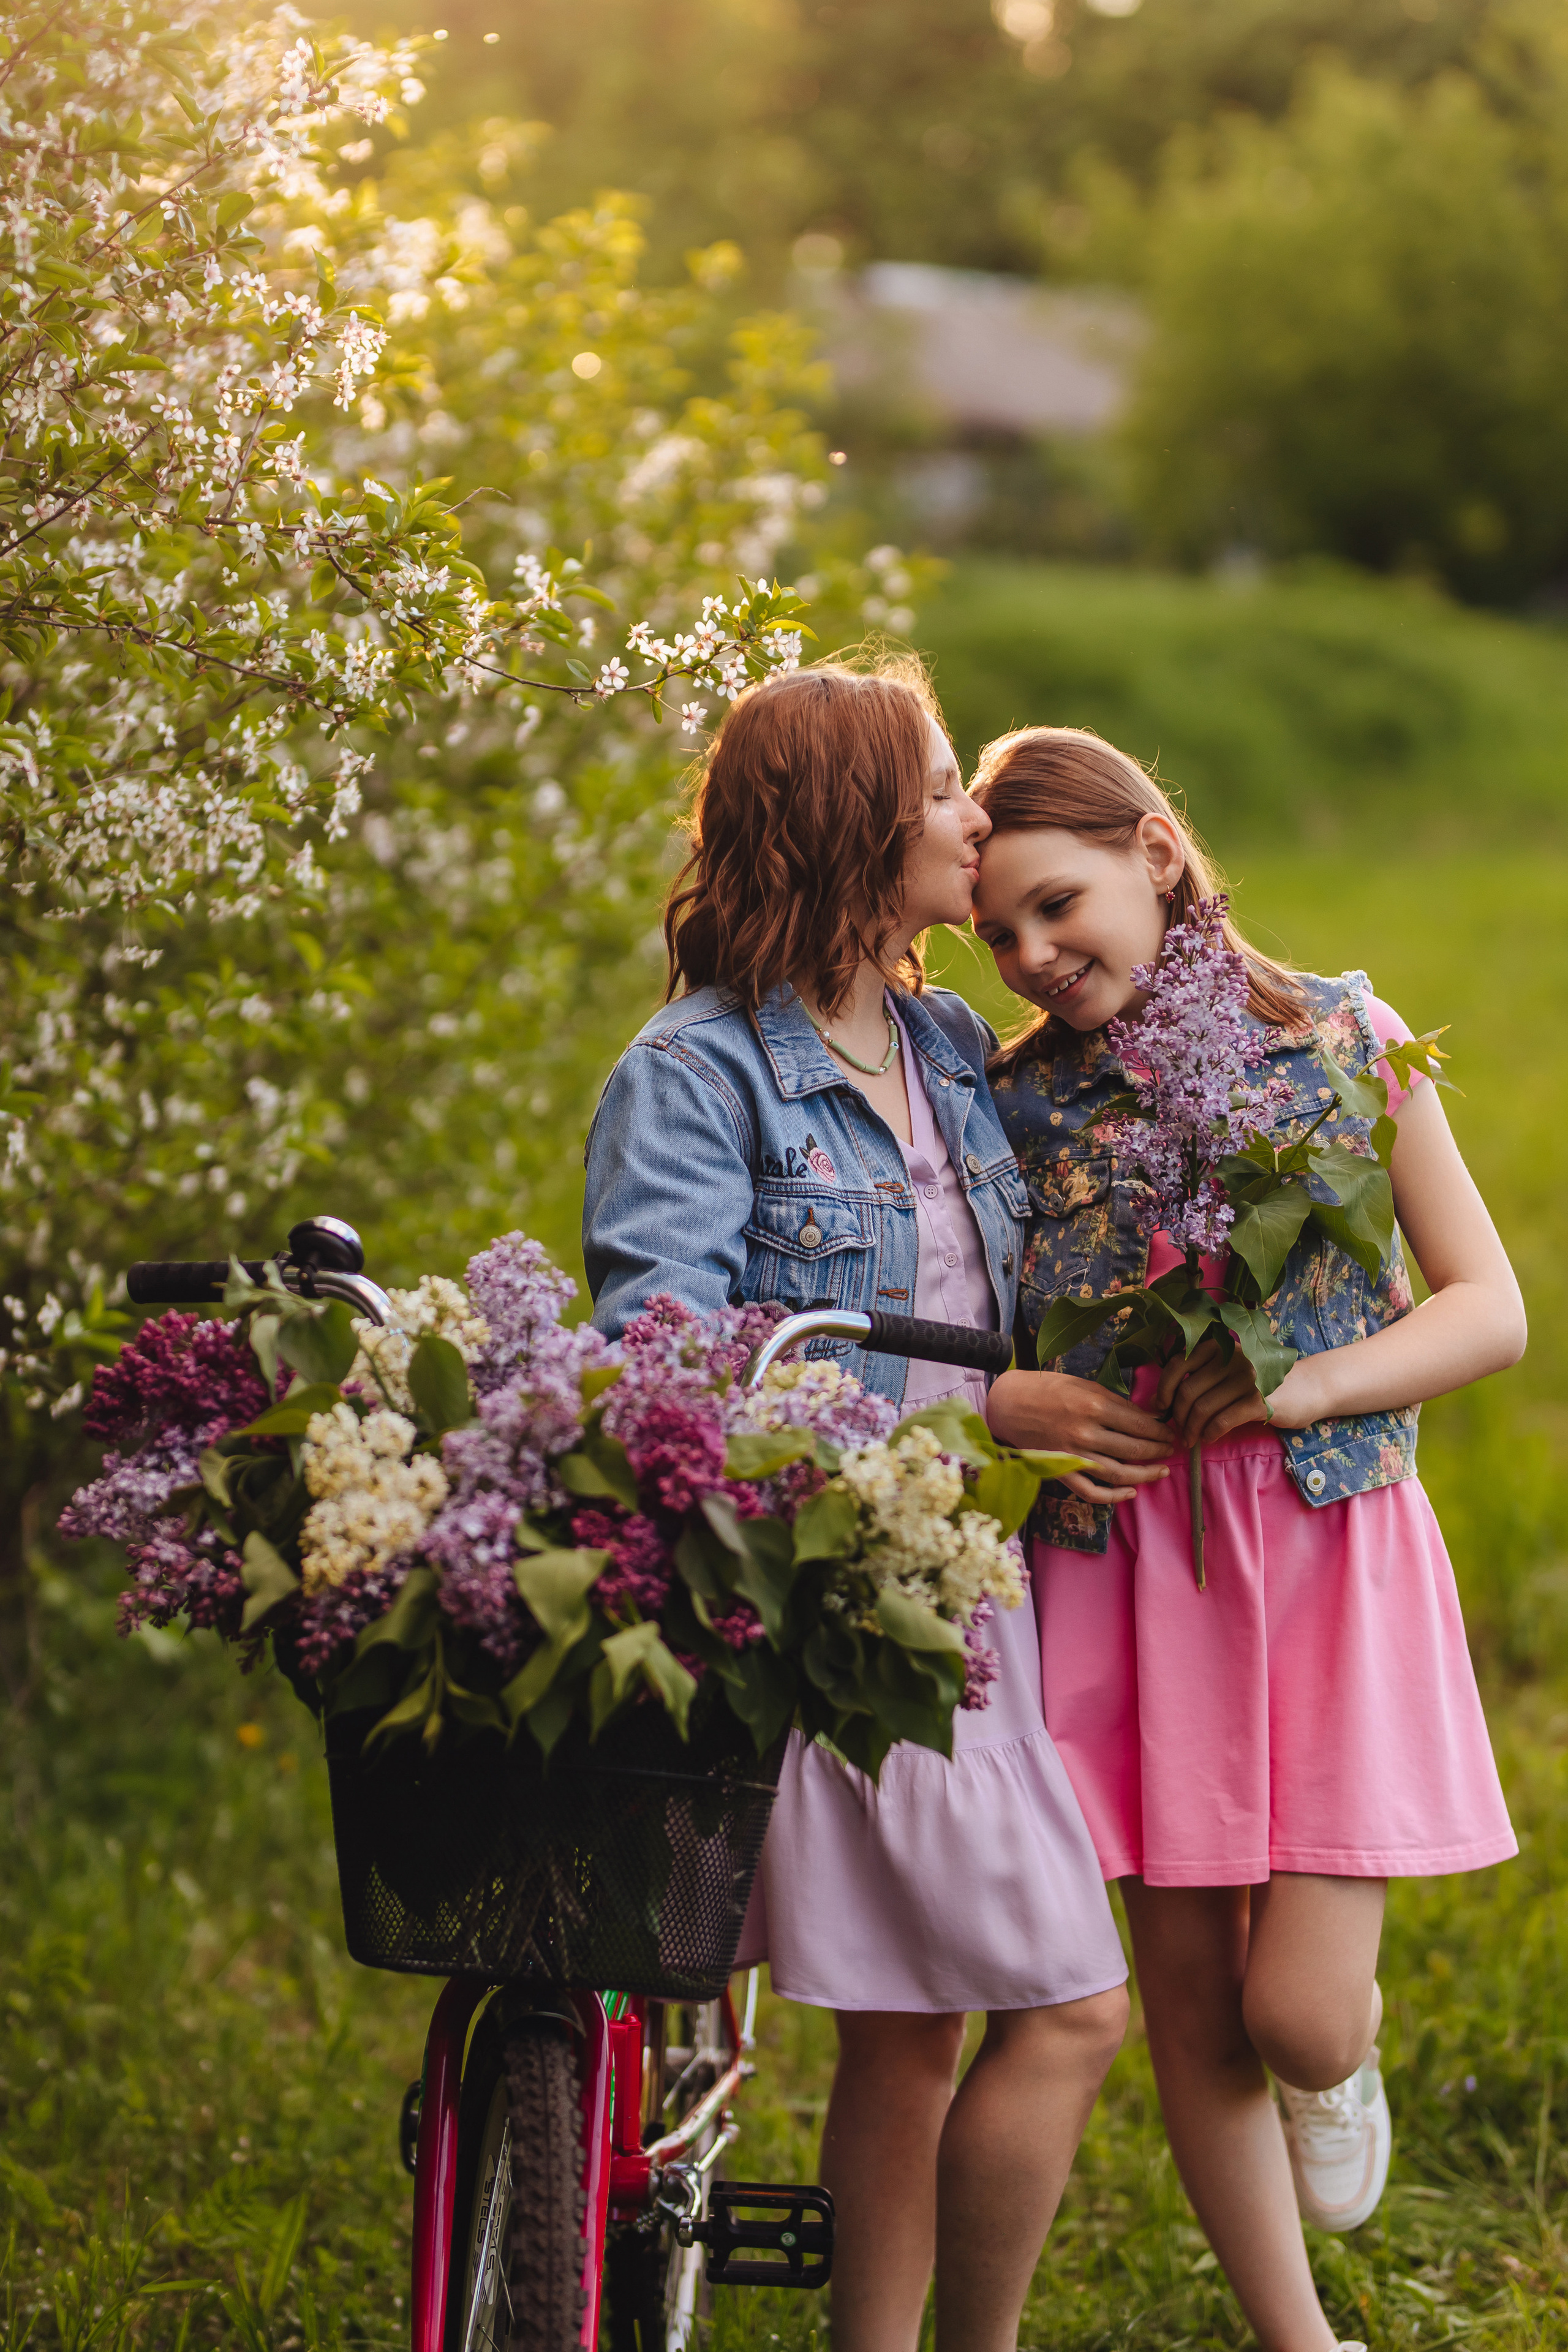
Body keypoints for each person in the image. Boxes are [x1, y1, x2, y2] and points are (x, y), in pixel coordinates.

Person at [582, 661, 1129, 2352]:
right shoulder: (692, 1078)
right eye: (947, 784)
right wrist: (976, 1423)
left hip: (978, 1594)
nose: (974, 815)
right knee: (1074, 2012)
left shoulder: (945, 1035)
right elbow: (666, 1381)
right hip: (844, 1605)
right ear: (850, 825)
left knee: (909, 2030)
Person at [968, 724, 1522, 2352]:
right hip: (1130, 1570)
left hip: (1327, 1546)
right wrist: (1038, 1403)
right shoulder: (1013, 1104)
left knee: (1291, 2016)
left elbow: (1491, 1310)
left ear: (1157, 850)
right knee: (1197, 2004)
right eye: (996, 933)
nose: (1033, 955)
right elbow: (976, 1326)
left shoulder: (1350, 1035)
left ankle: (1341, 2062)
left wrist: (1305, 1385)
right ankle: (1306, 2341)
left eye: (1057, 906)